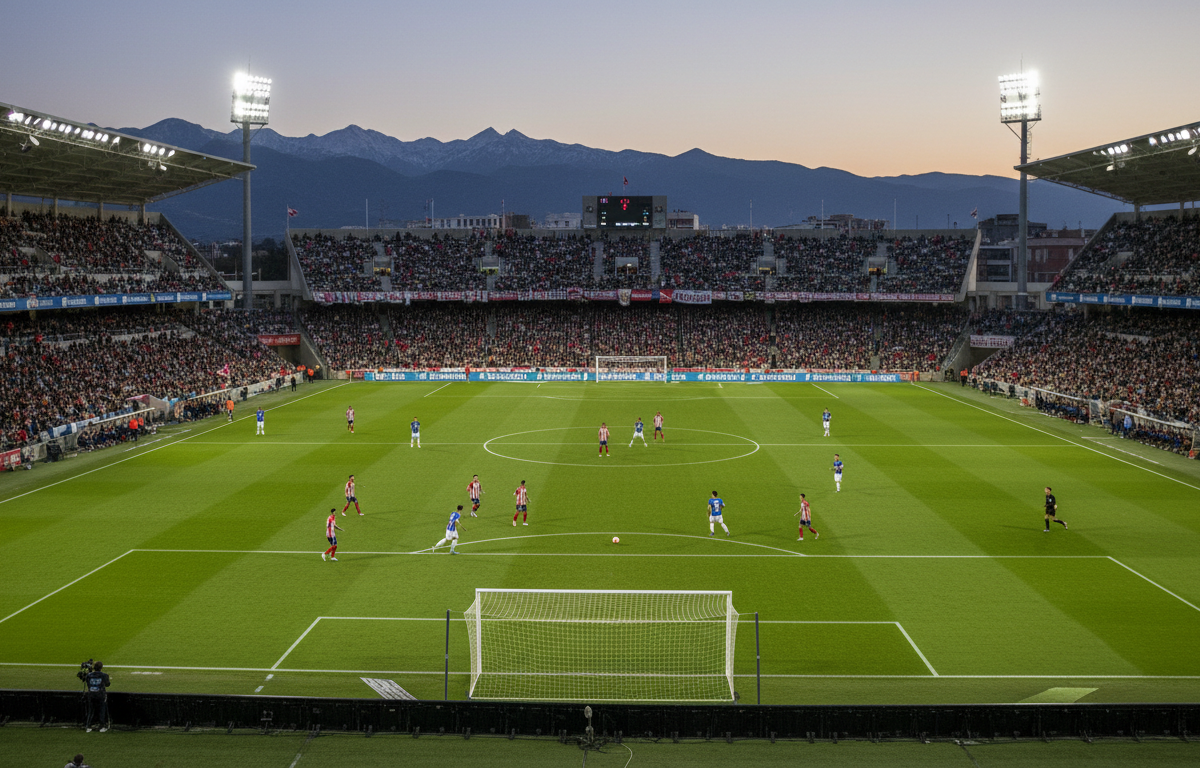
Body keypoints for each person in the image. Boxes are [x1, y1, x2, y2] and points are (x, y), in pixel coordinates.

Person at [83, 661, 110, 732]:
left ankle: (88, 726)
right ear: (101, 668)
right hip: (100, 694)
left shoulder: (89, 675)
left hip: (91, 694)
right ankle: (102, 726)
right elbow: (107, 684)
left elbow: (87, 683)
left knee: (91, 710)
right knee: (102, 710)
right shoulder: (104, 675)